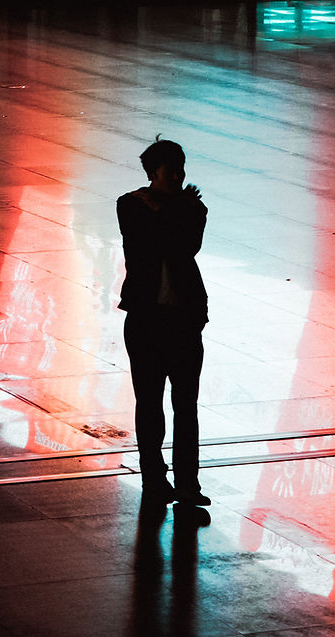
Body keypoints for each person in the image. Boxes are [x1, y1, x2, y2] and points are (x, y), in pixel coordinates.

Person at [118, 137, 210, 508]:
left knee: (185, 406)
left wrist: (161, 210)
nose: (177, 174)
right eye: (170, 168)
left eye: (180, 167)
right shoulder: (130, 205)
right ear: (152, 172)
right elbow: (150, 244)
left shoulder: (190, 208)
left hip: (180, 320)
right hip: (148, 320)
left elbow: (181, 246)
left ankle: (186, 482)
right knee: (152, 404)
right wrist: (170, 211)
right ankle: (156, 478)